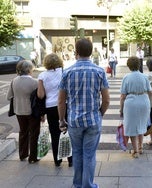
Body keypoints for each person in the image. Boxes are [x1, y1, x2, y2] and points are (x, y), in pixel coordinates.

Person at [58, 38, 110, 188]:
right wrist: (99, 114)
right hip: (93, 120)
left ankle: (77, 185)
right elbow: (106, 100)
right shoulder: (99, 71)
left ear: (76, 53)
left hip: (74, 121)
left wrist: (62, 120)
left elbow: (61, 101)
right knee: (89, 154)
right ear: (91, 52)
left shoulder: (67, 72)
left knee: (77, 153)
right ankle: (88, 185)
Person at [37, 53, 72, 167]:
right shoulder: (65, 72)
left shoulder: (42, 76)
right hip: (65, 105)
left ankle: (57, 160)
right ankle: (71, 160)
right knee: (68, 132)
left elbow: (41, 95)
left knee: (55, 133)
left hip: (50, 107)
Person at [6, 60, 40, 164]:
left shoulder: (14, 80)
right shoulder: (35, 82)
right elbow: (39, 98)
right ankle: (33, 157)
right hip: (31, 112)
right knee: (34, 133)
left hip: (19, 110)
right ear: (29, 69)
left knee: (23, 132)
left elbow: (9, 96)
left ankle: (22, 154)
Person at [119, 56, 152, 158]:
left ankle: (136, 151)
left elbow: (123, 96)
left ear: (129, 66)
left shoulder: (126, 78)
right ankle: (141, 147)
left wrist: (121, 109)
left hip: (131, 103)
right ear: (139, 65)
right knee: (142, 124)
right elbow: (150, 92)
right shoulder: (144, 77)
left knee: (132, 127)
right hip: (144, 101)